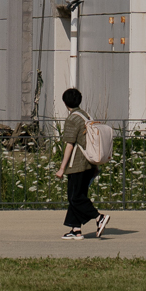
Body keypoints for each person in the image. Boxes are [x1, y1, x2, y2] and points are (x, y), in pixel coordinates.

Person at [55, 87, 109, 239]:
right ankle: (76, 230)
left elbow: (70, 144)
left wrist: (61, 168)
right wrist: (96, 166)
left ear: (65, 103)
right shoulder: (86, 115)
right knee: (78, 195)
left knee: (75, 197)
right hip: (89, 162)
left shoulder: (72, 119)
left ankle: (99, 218)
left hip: (77, 163)